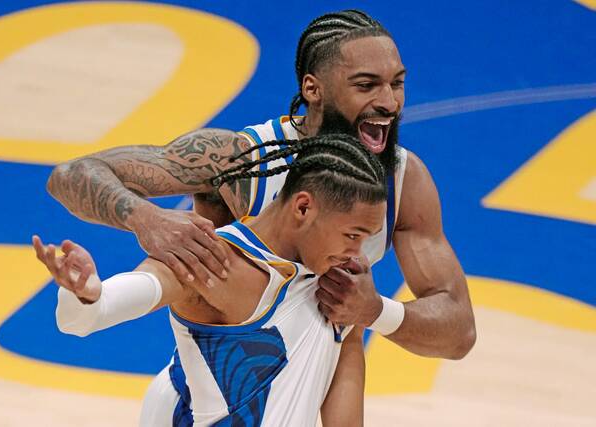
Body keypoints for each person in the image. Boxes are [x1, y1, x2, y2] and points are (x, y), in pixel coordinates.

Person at [46, 8, 475, 424]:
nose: (389, 103)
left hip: (303, 389)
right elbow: (72, 175)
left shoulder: (402, 180)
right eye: (367, 85)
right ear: (313, 88)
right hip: (207, 396)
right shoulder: (238, 161)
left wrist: (371, 310)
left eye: (397, 84)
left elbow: (457, 333)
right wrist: (146, 220)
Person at [34, 134, 393, 426]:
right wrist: (86, 294)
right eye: (352, 235)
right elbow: (86, 319)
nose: (358, 252)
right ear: (303, 208)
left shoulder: (343, 282)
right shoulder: (214, 260)